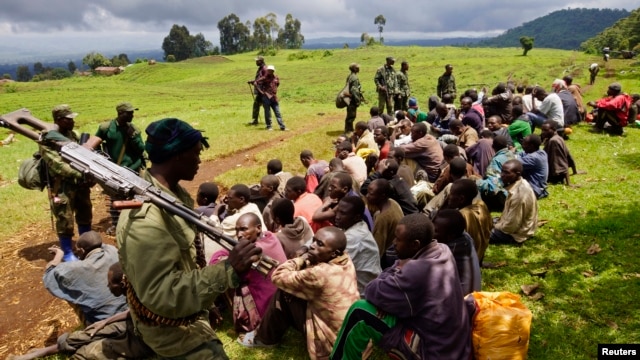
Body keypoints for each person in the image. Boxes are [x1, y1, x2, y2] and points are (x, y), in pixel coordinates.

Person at [116, 117, 262, 359]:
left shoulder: (174, 196)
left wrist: (205, 305)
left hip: (186, 313)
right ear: (177, 155)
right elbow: (162, 294)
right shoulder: (147, 220)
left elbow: (186, 261)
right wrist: (228, 269)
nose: (200, 160)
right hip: (169, 330)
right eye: (195, 154)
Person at [330, 213, 472, 360]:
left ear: (415, 244)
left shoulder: (415, 271)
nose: (394, 243)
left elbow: (371, 290)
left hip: (430, 351)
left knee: (360, 311)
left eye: (398, 239)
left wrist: (398, 267)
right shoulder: (442, 250)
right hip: (454, 345)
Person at [239, 227, 360, 360]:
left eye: (320, 244)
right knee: (292, 291)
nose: (312, 246)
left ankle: (264, 338)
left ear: (333, 253)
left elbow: (278, 277)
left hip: (334, 349)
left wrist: (300, 259)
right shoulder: (345, 260)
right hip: (356, 343)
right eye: (314, 240)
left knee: (283, 291)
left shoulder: (319, 274)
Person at [9, 263, 154, 360]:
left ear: (122, 284)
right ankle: (44, 351)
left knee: (86, 353)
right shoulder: (131, 289)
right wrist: (104, 322)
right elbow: (132, 312)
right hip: (132, 324)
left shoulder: (146, 297)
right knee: (88, 334)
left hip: (144, 340)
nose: (107, 286)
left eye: (110, 284)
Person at [209, 213, 287, 333]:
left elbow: (214, 262)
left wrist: (227, 254)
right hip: (282, 307)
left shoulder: (252, 252)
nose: (239, 235)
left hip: (265, 316)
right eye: (237, 230)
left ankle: (245, 324)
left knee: (227, 275)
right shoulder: (270, 236)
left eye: (244, 229)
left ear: (258, 228)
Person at [40, 104, 93, 262]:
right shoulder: (47, 139)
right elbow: (57, 165)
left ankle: (87, 246)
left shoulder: (73, 135)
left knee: (85, 212)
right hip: (62, 185)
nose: (72, 122)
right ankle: (68, 252)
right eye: (68, 119)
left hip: (80, 183)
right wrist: (82, 174)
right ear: (58, 120)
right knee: (65, 219)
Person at [44, 230, 128, 325]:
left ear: (82, 250)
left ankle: (88, 324)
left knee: (67, 286)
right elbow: (98, 244)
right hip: (128, 312)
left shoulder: (75, 269)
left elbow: (49, 273)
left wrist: (59, 255)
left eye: (77, 249)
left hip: (103, 323)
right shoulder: (113, 251)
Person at [95, 102, 146, 235]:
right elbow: (95, 142)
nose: (132, 115)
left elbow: (141, 149)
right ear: (120, 113)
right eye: (129, 113)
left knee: (135, 197)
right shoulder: (106, 128)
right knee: (115, 197)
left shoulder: (134, 130)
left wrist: (133, 137)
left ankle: (133, 224)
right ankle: (117, 225)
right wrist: (102, 158)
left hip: (133, 168)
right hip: (114, 169)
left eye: (132, 112)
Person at [333, 196, 382, 296]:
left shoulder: (355, 237)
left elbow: (331, 264)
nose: (337, 216)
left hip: (361, 293)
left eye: (343, 213)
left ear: (356, 217)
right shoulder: (352, 225)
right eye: (337, 211)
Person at [433, 209, 481, 295]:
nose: (432, 233)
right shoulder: (466, 237)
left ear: (450, 236)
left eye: (436, 231)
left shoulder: (448, 251)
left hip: (461, 302)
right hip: (473, 297)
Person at [490, 159, 538, 244]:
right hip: (510, 225)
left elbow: (509, 228)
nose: (502, 175)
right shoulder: (519, 183)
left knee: (479, 232)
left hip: (514, 235)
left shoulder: (519, 195)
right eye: (502, 172)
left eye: (506, 173)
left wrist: (493, 226)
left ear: (517, 174)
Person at [444, 179, 493, 262]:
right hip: (479, 256)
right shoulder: (481, 205)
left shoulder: (460, 215)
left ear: (461, 199)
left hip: (466, 259)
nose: (448, 196)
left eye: (451, 193)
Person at [365, 179, 404, 267]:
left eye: (371, 194)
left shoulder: (383, 219)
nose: (367, 196)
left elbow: (377, 249)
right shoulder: (392, 202)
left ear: (382, 196)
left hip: (390, 255)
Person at [477, 135, 516, 211]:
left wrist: (477, 183)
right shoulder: (511, 154)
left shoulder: (496, 160)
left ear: (493, 146)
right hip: (513, 192)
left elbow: (493, 185)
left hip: (504, 197)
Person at [256, 65, 287, 131]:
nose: (270, 71)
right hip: (266, 97)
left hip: (274, 97)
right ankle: (269, 126)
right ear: (267, 71)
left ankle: (282, 126)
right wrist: (261, 92)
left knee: (277, 112)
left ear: (273, 71)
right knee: (267, 112)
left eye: (271, 70)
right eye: (269, 70)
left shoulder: (276, 77)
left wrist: (274, 90)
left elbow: (277, 84)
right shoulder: (264, 78)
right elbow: (256, 83)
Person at [518, 134, 549, 198]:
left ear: (531, 146)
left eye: (524, 144)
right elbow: (522, 153)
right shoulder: (541, 152)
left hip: (534, 189)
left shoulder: (533, 157)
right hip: (539, 187)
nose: (522, 146)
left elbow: (515, 163)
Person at [344, 63, 363, 134]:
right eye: (357, 68)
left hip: (349, 98)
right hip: (352, 99)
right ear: (355, 69)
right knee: (351, 115)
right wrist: (357, 100)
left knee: (350, 114)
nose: (359, 69)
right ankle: (348, 130)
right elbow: (354, 90)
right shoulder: (354, 78)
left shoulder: (350, 76)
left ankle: (349, 129)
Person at [248, 56, 267, 125]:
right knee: (256, 104)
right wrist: (253, 81)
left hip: (263, 91)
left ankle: (269, 122)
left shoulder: (264, 69)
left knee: (266, 106)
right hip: (259, 90)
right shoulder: (260, 69)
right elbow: (259, 78)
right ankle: (255, 120)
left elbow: (265, 79)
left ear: (261, 61)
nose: (256, 62)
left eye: (257, 61)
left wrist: (256, 82)